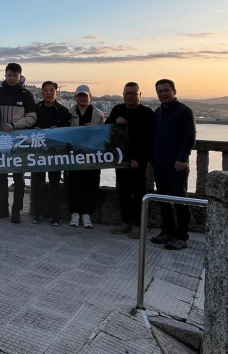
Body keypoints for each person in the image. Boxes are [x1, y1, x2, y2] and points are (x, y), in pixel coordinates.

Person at [105, 82, 155, 239]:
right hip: (121, 160)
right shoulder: (117, 110)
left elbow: (150, 140)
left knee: (139, 193)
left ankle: (140, 225)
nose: (130, 96)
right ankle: (126, 222)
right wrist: (115, 122)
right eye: (127, 93)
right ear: (123, 95)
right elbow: (106, 130)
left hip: (138, 162)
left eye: (133, 93)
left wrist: (139, 160)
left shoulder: (147, 113)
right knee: (123, 192)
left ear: (140, 95)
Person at [151, 79, 196, 250]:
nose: (163, 93)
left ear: (174, 91)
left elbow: (189, 136)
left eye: (166, 90)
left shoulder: (185, 111)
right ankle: (167, 231)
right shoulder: (158, 112)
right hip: (159, 163)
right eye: (160, 91)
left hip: (177, 164)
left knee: (179, 200)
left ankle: (181, 236)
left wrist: (183, 158)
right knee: (163, 199)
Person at [0, 62, 37, 223]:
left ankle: (16, 209)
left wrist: (14, 125)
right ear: (5, 75)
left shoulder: (26, 95)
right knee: (1, 175)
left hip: (19, 141)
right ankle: (2, 207)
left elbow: (32, 117)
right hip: (1, 141)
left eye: (15, 75)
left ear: (20, 76)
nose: (12, 78)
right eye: (9, 75)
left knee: (19, 176)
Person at [30, 81, 71, 225]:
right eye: (45, 90)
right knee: (38, 184)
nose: (48, 93)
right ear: (42, 92)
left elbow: (68, 131)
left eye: (51, 90)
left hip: (55, 154)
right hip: (38, 152)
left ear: (56, 92)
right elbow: (27, 127)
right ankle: (37, 213)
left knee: (54, 184)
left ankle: (54, 215)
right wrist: (32, 130)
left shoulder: (63, 111)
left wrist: (58, 130)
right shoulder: (35, 109)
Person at [68, 84, 105, 228]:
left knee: (91, 184)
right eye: (80, 95)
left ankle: (87, 213)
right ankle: (75, 212)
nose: (82, 98)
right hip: (74, 155)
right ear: (76, 97)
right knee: (74, 184)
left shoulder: (99, 114)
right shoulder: (69, 113)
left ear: (90, 97)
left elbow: (104, 135)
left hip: (92, 156)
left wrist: (94, 131)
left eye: (85, 95)